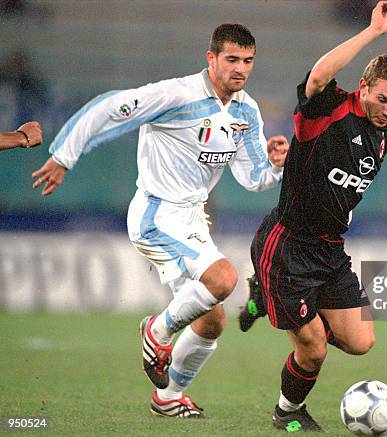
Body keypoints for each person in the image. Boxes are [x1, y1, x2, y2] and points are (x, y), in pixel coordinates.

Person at [32, 24, 289, 418]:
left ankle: (167, 398)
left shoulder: (245, 110)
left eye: (248, 61)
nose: (240, 69)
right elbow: (108, 108)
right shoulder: (176, 95)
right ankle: (157, 331)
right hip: (157, 212)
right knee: (223, 279)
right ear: (211, 58)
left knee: (212, 322)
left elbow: (252, 178)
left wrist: (274, 166)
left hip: (192, 218)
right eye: (232, 59)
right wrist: (65, 155)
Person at [248, 1, 387, 431]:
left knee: (362, 342)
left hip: (330, 251)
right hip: (287, 247)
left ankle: (263, 298)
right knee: (314, 348)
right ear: (363, 86)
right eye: (383, 99)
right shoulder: (329, 108)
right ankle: (286, 413)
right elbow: (318, 76)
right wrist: (372, 32)